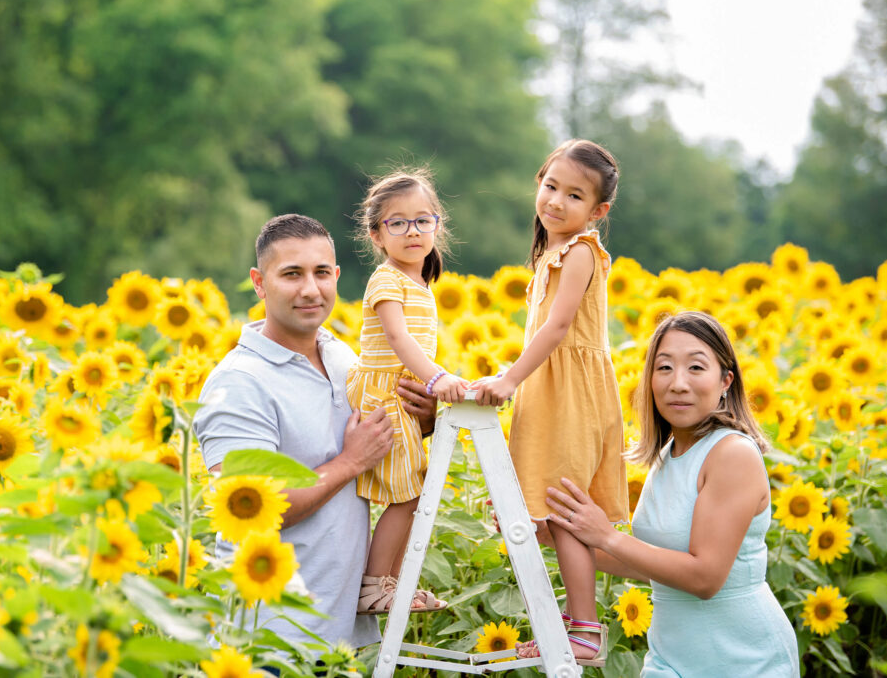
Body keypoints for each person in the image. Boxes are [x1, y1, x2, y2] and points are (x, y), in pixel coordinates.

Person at [192, 213, 437, 651]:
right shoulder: (238, 384)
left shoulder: (344, 359)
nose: (311, 289)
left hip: (338, 639)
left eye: (321, 272)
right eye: (291, 274)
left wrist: (425, 421)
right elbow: (248, 511)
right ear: (259, 282)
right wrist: (350, 462)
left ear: (337, 276)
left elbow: (388, 452)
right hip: (266, 642)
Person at [545, 311, 799, 677]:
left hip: (743, 659)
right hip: (671, 659)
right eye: (664, 368)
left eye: (696, 368)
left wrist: (606, 536)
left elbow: (704, 578)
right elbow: (654, 565)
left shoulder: (732, 454)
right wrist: (554, 533)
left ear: (726, 380)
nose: (678, 383)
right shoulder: (668, 455)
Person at [473, 139, 628, 667]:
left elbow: (560, 327)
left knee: (565, 511)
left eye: (575, 195)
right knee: (547, 509)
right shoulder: (552, 252)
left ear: (598, 212)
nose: (556, 201)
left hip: (569, 396)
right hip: (550, 391)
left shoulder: (583, 250)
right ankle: (567, 620)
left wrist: (510, 379)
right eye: (550, 186)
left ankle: (585, 627)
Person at [347, 168, 466, 615]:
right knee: (408, 494)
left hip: (405, 402)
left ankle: (390, 585)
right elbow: (399, 340)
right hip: (385, 399)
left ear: (438, 224)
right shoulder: (387, 279)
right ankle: (374, 585)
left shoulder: (421, 284)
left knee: (414, 493)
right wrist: (438, 379)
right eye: (397, 222)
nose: (412, 231)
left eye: (422, 220)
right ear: (377, 234)